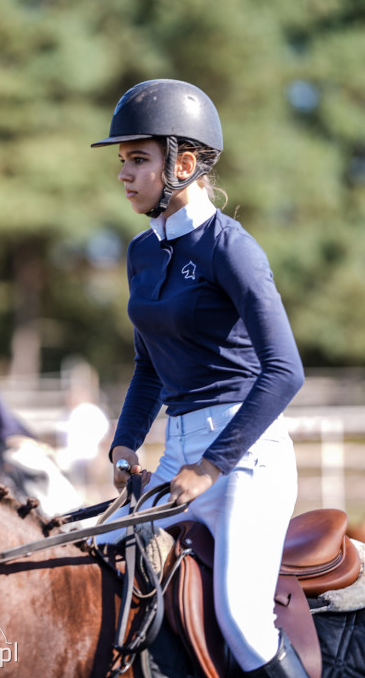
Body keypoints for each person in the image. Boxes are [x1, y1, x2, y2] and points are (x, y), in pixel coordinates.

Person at [90, 79, 307, 678]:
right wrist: (126, 441)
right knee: (97, 568)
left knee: (241, 618)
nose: (124, 174)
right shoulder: (140, 252)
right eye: (122, 162)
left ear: (184, 164)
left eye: (138, 160)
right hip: (175, 457)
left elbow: (286, 370)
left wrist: (210, 466)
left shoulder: (231, 249)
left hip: (245, 459)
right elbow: (148, 365)